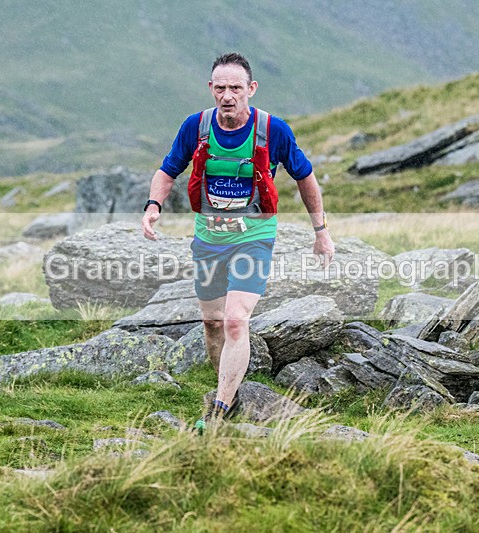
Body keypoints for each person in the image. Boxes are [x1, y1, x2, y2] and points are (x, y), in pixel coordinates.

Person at [141, 53, 334, 430]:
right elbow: (168, 169)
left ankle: (220, 408)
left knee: (234, 320)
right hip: (209, 239)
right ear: (210, 89)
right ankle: (225, 387)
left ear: (251, 89)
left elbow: (305, 178)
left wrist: (320, 231)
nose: (227, 95)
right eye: (220, 88)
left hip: (254, 238)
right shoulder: (195, 127)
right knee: (212, 322)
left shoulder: (273, 130)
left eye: (235, 88)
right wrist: (153, 205)